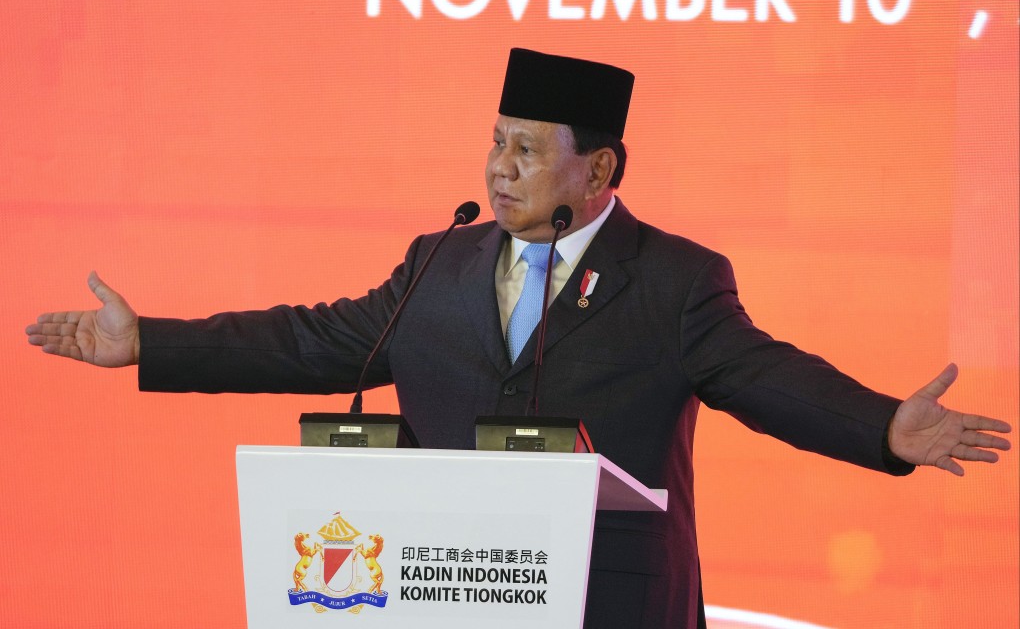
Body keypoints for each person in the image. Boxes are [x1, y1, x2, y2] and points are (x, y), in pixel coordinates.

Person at [25, 48, 1012, 628]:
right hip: (447, 596)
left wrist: (883, 426)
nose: (499, 168)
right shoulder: (441, 260)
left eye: (527, 150)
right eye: (496, 141)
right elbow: (314, 342)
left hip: (607, 604)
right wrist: (149, 342)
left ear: (600, 170)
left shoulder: (673, 278)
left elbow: (763, 377)